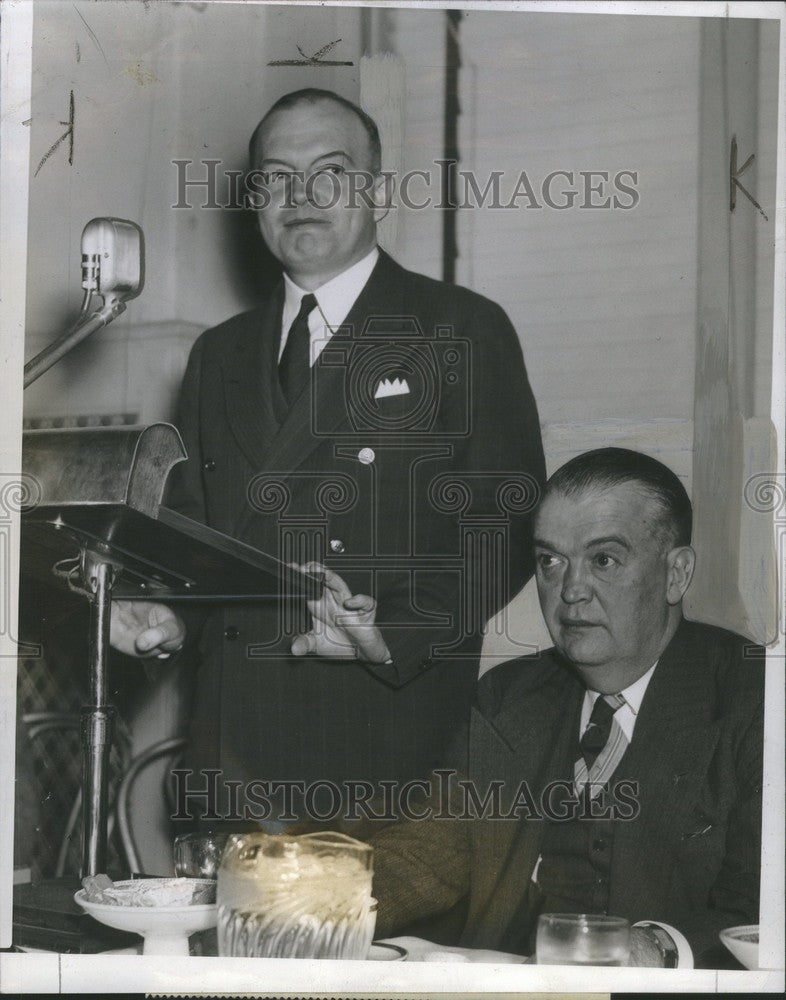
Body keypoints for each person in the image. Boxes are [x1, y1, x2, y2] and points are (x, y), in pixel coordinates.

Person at [109, 89, 545, 820]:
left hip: (385, 739)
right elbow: (190, 532)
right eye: (276, 176)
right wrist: (162, 613)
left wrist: (392, 635)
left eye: (330, 172)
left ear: (374, 187)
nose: (301, 196)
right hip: (233, 748)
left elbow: (506, 525)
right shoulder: (217, 354)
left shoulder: (459, 328)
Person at [298, 449, 764, 967]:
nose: (571, 590)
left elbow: (762, 911)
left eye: (603, 560)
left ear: (676, 574)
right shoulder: (508, 697)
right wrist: (303, 904)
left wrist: (652, 946)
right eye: (550, 561)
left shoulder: (755, 700)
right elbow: (432, 849)